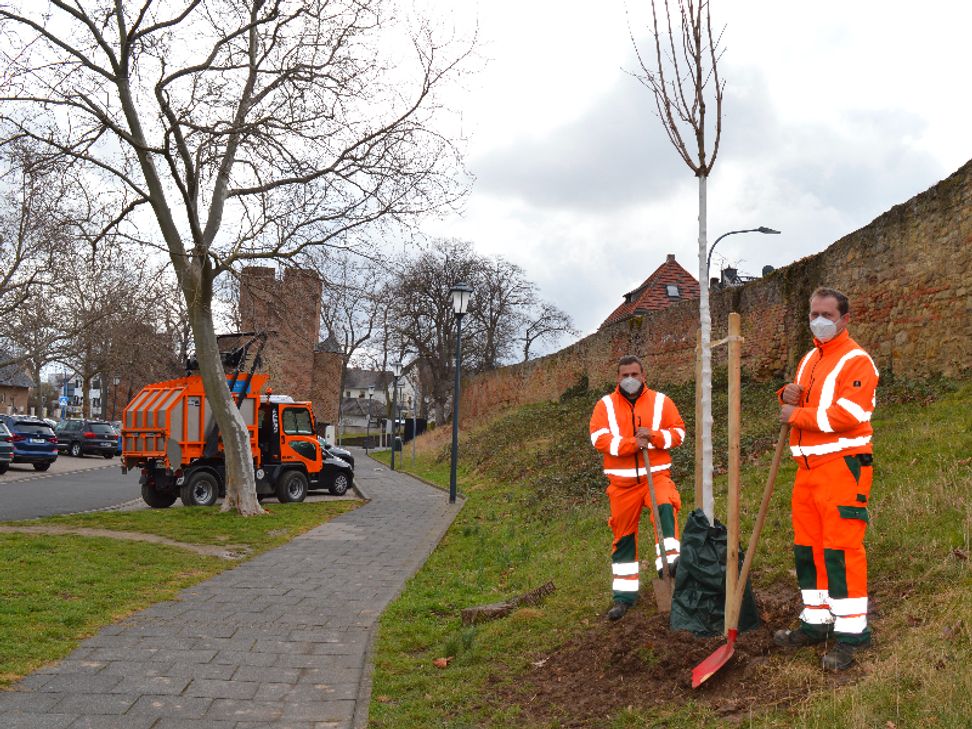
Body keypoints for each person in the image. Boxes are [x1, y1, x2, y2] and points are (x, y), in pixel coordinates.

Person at [774, 287, 879, 671]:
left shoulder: (857, 361)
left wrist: (795, 416)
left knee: (841, 548)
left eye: (826, 314)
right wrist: (786, 395)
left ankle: (852, 634)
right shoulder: (809, 360)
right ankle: (816, 622)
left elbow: (846, 415)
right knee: (809, 548)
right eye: (813, 314)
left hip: (843, 467)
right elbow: (802, 401)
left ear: (844, 319)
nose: (818, 320)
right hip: (807, 470)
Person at [589, 355, 686, 621]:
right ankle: (623, 597)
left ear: (644, 375)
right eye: (624, 375)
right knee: (623, 538)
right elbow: (600, 438)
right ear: (617, 378)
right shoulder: (604, 406)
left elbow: (678, 433)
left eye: (634, 374)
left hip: (656, 478)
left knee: (665, 508)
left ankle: (671, 570)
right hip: (621, 487)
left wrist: (653, 437)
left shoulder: (661, 402)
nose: (629, 379)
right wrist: (633, 444)